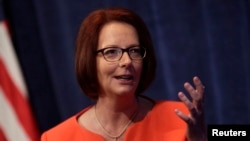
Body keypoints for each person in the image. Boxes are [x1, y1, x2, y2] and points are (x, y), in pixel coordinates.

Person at [41, 7, 207, 141]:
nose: (127, 61)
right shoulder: (56, 138)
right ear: (89, 60)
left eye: (134, 51)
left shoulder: (181, 116)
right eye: (112, 52)